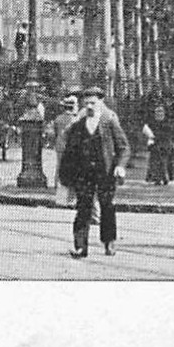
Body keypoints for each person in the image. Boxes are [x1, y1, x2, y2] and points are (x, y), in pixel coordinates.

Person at [57, 87, 131, 258]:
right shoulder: (78, 125)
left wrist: (120, 166)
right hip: (84, 173)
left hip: (105, 172)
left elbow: (124, 147)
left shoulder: (109, 121)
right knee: (83, 208)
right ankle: (80, 246)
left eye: (93, 103)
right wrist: (66, 175)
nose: (90, 106)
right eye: (87, 103)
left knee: (107, 207)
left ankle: (109, 242)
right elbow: (70, 151)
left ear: (100, 103)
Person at [50, 93, 81, 208]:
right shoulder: (75, 120)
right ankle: (70, 196)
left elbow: (55, 133)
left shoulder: (58, 119)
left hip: (59, 146)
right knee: (71, 171)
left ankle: (57, 188)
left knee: (59, 166)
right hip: (71, 148)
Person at [144, 104, 174, 185]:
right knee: (155, 162)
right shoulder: (152, 123)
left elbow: (168, 134)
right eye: (157, 112)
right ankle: (157, 178)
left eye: (161, 112)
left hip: (164, 145)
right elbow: (148, 131)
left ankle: (164, 178)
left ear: (164, 113)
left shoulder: (167, 123)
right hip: (155, 145)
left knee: (163, 162)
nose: (159, 114)